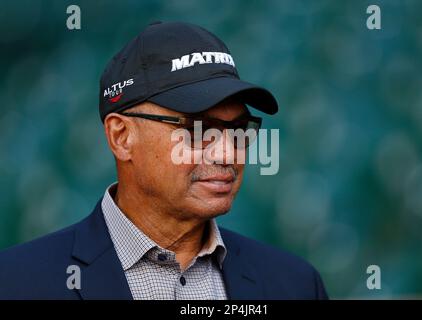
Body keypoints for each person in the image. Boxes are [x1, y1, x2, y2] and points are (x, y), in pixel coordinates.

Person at [0, 21, 328, 300]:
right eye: (198, 129)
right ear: (121, 137)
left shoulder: (295, 285)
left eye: (239, 129)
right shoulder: (16, 284)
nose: (228, 152)